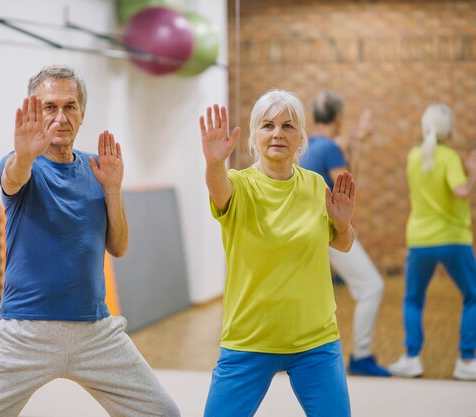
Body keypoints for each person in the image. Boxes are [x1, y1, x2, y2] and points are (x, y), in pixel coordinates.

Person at [0, 65, 180, 417]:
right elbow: (14, 178)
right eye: (49, 107)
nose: (60, 117)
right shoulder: (19, 165)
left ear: (82, 113)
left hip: (95, 331)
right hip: (24, 333)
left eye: (69, 106)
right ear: (33, 111)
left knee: (162, 413)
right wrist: (24, 155)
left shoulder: (97, 167)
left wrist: (113, 189)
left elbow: (118, 247)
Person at [201, 89, 355, 417]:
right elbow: (218, 190)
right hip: (248, 340)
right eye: (267, 125)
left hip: (315, 341)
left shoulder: (316, 186)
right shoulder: (238, 185)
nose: (277, 134)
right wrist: (214, 162)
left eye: (288, 126)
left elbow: (343, 243)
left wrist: (342, 224)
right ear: (254, 136)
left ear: (301, 136)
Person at [299, 91, 390, 377]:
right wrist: (357, 149)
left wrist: (358, 138)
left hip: (307, 232)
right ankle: (361, 356)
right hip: (326, 233)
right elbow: (347, 188)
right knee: (372, 286)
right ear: (339, 117)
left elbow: (337, 146)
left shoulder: (311, 146)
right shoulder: (328, 149)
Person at [388, 103, 476, 381]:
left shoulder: (413, 156)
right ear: (449, 130)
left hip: (420, 239)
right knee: (473, 296)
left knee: (413, 299)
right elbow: (460, 191)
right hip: (453, 238)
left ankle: (411, 358)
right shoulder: (450, 157)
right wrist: (473, 171)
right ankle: (467, 360)